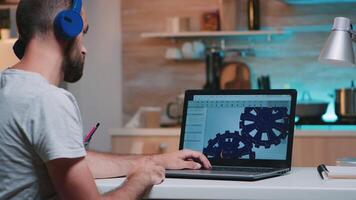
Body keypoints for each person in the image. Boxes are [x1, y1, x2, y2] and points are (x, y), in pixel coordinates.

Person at [0, 0, 212, 199]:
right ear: (67, 27)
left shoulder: (9, 87)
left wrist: (154, 160)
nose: (84, 48)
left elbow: (74, 161)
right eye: (83, 33)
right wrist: (138, 180)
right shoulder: (48, 100)